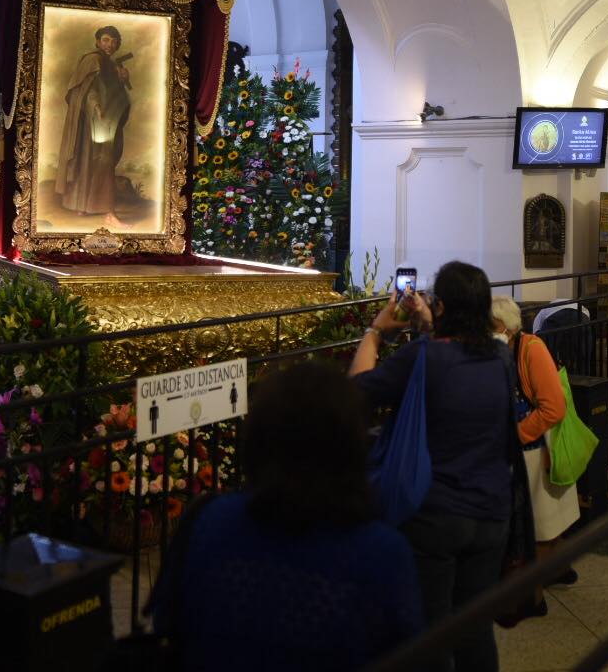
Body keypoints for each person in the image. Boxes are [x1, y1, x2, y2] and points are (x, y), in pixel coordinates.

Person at [149, 361, 423, 672]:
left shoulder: (207, 521)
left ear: (257, 439)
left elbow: (167, 620)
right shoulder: (383, 553)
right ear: (352, 449)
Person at [350, 261, 512, 672]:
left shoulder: (423, 355)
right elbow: (454, 354)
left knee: (431, 629)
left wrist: (375, 331)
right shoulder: (500, 356)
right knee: (474, 628)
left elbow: (355, 392)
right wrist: (429, 322)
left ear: (441, 305)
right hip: (492, 511)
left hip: (435, 514)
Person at [491, 296, 579, 584]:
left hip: (538, 447)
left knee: (544, 525)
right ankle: (561, 568)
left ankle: (534, 594)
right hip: (524, 448)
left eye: (492, 327)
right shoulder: (497, 353)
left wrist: (517, 436)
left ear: (508, 327)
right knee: (549, 520)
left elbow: (553, 406)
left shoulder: (532, 349)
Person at [57, 25, 132, 224]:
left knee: (94, 161)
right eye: (106, 40)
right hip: (94, 120)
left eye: (114, 42)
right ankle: (109, 213)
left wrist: (122, 80)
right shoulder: (93, 60)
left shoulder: (110, 65)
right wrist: (96, 107)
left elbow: (114, 94)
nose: (110, 44)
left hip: (105, 120)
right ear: (98, 41)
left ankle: (84, 205)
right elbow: (86, 90)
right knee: (97, 160)